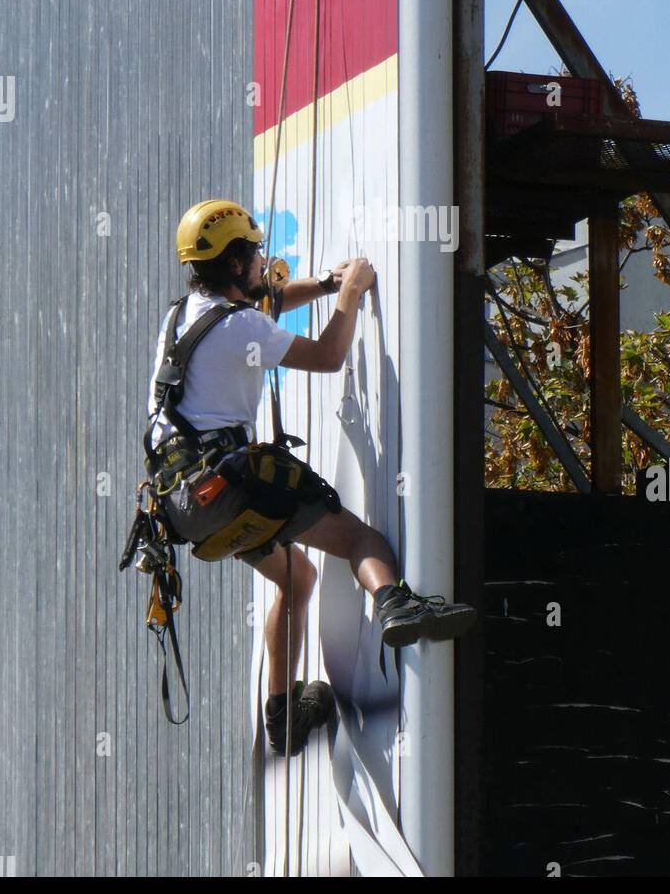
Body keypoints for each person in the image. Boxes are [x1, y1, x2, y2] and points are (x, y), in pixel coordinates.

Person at [145, 200, 476, 755]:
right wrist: (351, 294)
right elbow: (328, 354)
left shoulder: (182, 316)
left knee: (297, 579)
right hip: (229, 485)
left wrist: (324, 283)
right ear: (233, 265)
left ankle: (282, 716)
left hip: (185, 503)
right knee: (359, 538)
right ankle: (396, 604)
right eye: (253, 253)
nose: (261, 261)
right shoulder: (239, 326)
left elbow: (262, 299)